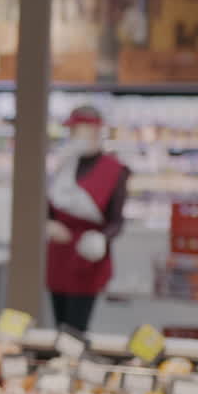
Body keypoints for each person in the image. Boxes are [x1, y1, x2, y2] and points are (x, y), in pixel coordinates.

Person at [46, 105, 129, 333]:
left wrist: (101, 239)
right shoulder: (64, 166)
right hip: (58, 254)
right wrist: (49, 224)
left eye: (81, 130)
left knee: (76, 325)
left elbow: (117, 220)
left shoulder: (114, 170)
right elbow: (46, 208)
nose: (75, 136)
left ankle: (73, 362)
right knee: (58, 321)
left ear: (96, 131)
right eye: (73, 131)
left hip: (87, 256)